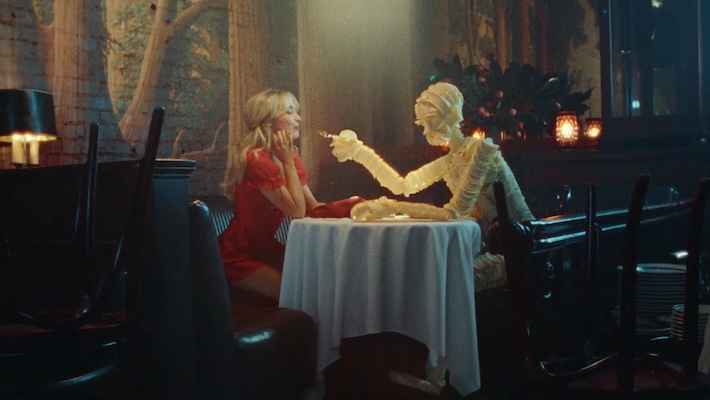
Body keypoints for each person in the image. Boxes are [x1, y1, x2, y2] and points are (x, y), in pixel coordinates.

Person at [326, 81, 535, 289]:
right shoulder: (449, 161)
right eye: (423, 124)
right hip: (491, 246)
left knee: (438, 278)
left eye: (432, 121)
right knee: (419, 273)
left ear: (452, 116)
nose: (427, 131)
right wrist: (359, 152)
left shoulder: (481, 150)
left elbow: (455, 211)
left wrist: (392, 207)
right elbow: (403, 186)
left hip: (522, 250)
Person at [219, 89, 322, 302]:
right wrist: (288, 162)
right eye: (290, 112)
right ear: (269, 121)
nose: (298, 118)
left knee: (319, 278)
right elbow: (298, 211)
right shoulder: (256, 159)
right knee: (298, 296)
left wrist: (355, 207)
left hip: (265, 248)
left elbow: (313, 206)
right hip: (237, 254)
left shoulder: (288, 156)